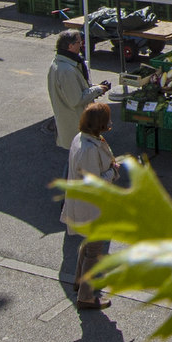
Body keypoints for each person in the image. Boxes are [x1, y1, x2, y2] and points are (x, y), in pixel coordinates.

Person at [64, 100, 119, 309]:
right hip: (93, 206)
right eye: (107, 119)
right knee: (95, 250)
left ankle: (80, 282)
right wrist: (112, 171)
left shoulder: (82, 138)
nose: (110, 122)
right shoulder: (88, 148)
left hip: (84, 204)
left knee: (88, 245)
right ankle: (86, 297)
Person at [47, 30, 107, 150]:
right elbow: (76, 99)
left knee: (74, 161)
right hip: (76, 124)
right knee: (78, 162)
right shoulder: (66, 70)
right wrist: (97, 89)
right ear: (70, 46)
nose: (81, 44)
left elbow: (75, 88)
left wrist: (93, 88)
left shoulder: (59, 63)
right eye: (79, 42)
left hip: (71, 123)